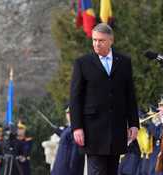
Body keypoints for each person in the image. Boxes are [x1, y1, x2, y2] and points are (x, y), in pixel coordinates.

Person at [70, 23, 139, 175]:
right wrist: (77, 127)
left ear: (111, 40)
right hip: (92, 130)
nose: (96, 44)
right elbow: (75, 97)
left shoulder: (124, 62)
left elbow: (130, 94)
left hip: (116, 128)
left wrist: (134, 123)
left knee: (112, 171)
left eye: (101, 40)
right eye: (94, 40)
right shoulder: (83, 63)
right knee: (97, 171)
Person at [51, 107, 85, 175]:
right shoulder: (69, 129)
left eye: (69, 113)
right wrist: (58, 131)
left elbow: (75, 156)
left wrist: (72, 171)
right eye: (67, 113)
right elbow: (67, 137)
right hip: (60, 169)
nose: (68, 115)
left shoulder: (75, 130)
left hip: (66, 171)